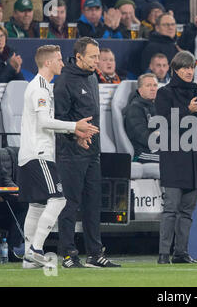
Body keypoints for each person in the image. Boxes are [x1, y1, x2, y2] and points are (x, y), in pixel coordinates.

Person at [18, 45, 99, 268]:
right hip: (39, 153)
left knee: (36, 205)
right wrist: (75, 126)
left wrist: (76, 134)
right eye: (59, 59)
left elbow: (47, 123)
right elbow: (44, 122)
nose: (63, 63)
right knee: (59, 199)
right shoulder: (40, 89)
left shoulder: (42, 87)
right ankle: (35, 249)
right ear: (48, 63)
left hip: (31, 152)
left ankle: (28, 256)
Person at [54, 37, 120, 268]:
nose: (97, 61)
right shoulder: (64, 82)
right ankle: (68, 254)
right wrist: (75, 136)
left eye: (98, 56)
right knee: (70, 203)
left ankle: (94, 253)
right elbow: (57, 121)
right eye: (92, 57)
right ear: (79, 56)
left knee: (93, 203)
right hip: (70, 153)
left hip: (93, 151)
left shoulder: (92, 77)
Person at [155, 51, 197, 264]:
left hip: (195, 159)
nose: (189, 71)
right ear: (175, 70)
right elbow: (163, 123)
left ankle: (181, 253)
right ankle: (164, 254)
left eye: (191, 67)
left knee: (187, 211)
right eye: (184, 68)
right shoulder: (164, 93)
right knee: (171, 209)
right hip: (173, 157)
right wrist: (187, 110)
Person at [124, 73, 159, 163]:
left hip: (158, 149)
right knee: (175, 159)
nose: (153, 89)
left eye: (155, 85)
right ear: (140, 90)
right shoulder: (135, 108)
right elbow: (145, 138)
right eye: (148, 85)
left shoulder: (157, 106)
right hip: (142, 153)